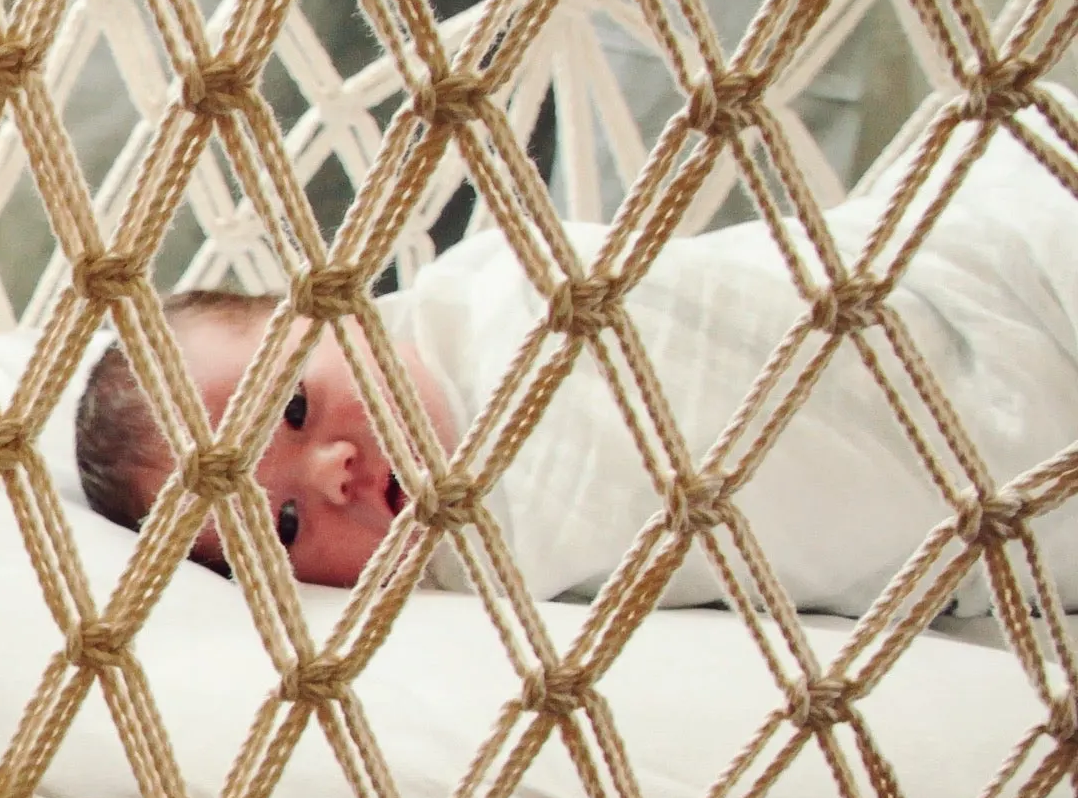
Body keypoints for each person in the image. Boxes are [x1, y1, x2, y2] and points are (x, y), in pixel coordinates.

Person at [70, 140, 1078, 610]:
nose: (330, 473)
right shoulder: (471, 582)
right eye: (282, 526)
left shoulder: (505, 301)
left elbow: (723, 301)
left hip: (981, 280)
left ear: (323, 311)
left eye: (294, 407)